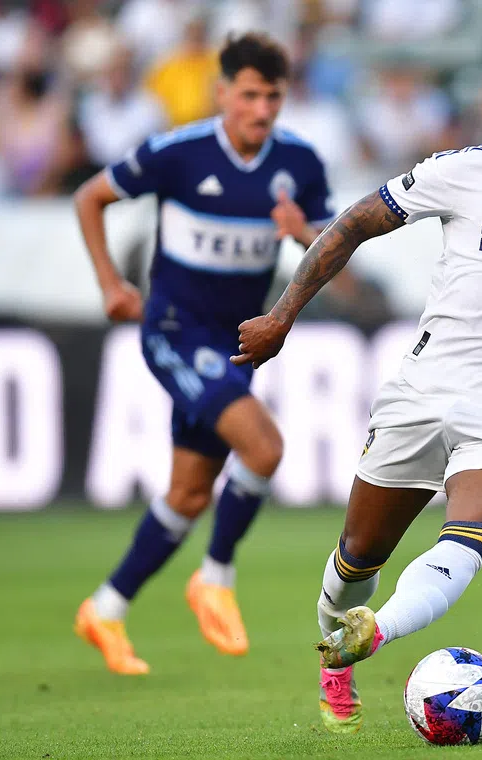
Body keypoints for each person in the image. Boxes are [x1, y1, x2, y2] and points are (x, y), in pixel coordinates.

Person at [231, 56, 482, 733]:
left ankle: (379, 628)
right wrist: (282, 315)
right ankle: (340, 659)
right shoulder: (461, 172)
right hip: (422, 395)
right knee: (357, 555)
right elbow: (357, 222)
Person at [71, 32, 332, 674]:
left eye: (272, 96)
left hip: (233, 342)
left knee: (188, 495)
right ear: (222, 94)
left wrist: (305, 234)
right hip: (172, 329)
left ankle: (104, 610)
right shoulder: (179, 154)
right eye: (249, 95)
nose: (262, 110)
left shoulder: (299, 163)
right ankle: (214, 576)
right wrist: (111, 283)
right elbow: (90, 197)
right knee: (264, 448)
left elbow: (332, 248)